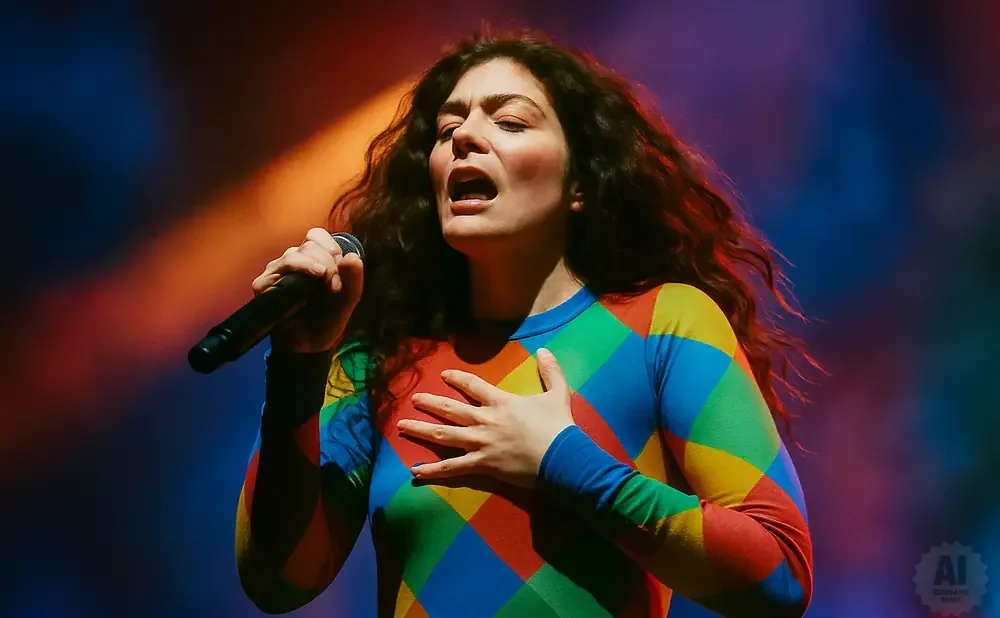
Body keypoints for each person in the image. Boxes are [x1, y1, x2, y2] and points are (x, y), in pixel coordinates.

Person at [235, 28, 816, 618]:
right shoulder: (375, 356)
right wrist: (298, 362)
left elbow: (779, 577)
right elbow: (279, 581)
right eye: (446, 128)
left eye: (509, 122)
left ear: (581, 184)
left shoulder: (665, 323)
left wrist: (563, 460)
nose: (464, 136)